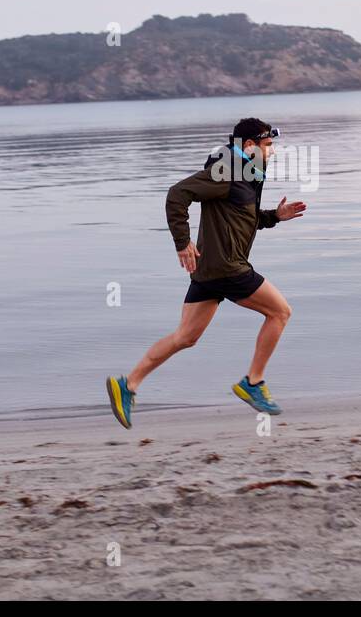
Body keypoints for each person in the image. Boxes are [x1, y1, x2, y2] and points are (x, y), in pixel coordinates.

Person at [106, 118, 306, 429]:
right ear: (250, 146)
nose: (273, 152)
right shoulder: (224, 172)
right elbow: (177, 194)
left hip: (210, 270)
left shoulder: (246, 172)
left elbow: (242, 218)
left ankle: (127, 385)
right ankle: (253, 382)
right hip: (227, 268)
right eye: (268, 146)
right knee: (280, 312)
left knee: (185, 337)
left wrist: (274, 217)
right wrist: (182, 242)